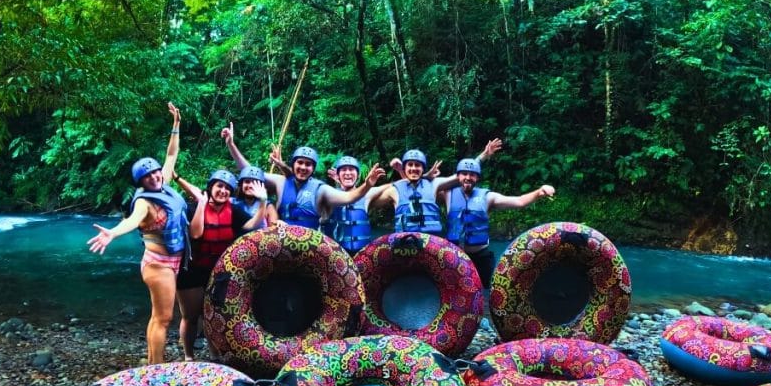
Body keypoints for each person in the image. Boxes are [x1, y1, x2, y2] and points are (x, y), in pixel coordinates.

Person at [88, 103, 187, 364]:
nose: (155, 177)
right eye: (148, 176)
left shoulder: (163, 183)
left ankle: (154, 362)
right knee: (162, 318)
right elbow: (131, 221)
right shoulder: (144, 202)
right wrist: (112, 234)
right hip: (158, 265)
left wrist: (175, 126)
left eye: (155, 172)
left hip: (175, 261)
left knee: (162, 316)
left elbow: (171, 156)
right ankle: (155, 367)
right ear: (141, 182)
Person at [173, 169, 269, 360]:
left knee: (213, 317)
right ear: (210, 187)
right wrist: (202, 203)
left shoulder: (233, 211)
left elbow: (252, 226)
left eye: (227, 188)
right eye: (219, 186)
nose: (223, 191)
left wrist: (263, 202)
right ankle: (188, 357)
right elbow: (195, 234)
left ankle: (214, 355)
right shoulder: (193, 207)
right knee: (190, 317)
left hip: (218, 273)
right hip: (191, 271)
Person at [220, 123, 384, 230]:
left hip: (309, 245)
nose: (303, 167)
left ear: (313, 168)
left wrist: (368, 184)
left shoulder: (321, 189)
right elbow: (249, 173)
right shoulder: (281, 182)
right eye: (300, 163)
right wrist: (231, 145)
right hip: (281, 240)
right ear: (293, 164)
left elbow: (349, 197)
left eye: (308, 164)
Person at [438, 154, 555, 287]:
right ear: (457, 176)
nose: (468, 178)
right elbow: (422, 185)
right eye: (464, 174)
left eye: (472, 174)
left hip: (480, 257)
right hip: (454, 256)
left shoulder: (488, 197)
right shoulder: (447, 194)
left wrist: (539, 192)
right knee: (454, 291)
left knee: (487, 293)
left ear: (477, 177)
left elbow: (519, 201)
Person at [374, 139, 503, 235]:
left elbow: (462, 175)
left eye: (417, 165)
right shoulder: (394, 190)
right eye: (410, 165)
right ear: (404, 167)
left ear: (423, 168)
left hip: (432, 243)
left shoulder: (434, 184)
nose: (414, 168)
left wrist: (484, 155)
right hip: (404, 243)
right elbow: (371, 201)